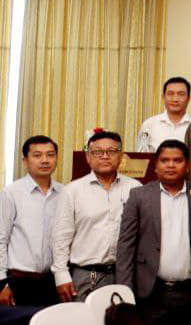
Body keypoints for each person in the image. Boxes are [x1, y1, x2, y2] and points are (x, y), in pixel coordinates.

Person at [117, 140, 191, 325]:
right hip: (151, 290)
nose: (170, 165)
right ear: (155, 165)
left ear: (187, 165)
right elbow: (126, 245)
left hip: (190, 291)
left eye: (177, 160)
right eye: (164, 160)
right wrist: (125, 289)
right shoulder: (139, 196)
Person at [52, 130, 143, 301]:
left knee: (123, 318)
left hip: (125, 274)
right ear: (88, 157)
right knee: (83, 318)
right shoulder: (72, 190)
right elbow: (61, 236)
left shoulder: (135, 188)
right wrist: (61, 274)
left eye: (111, 151)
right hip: (86, 274)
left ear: (121, 156)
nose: (105, 156)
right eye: (98, 152)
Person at [0, 135, 64, 306]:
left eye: (50, 155)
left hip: (52, 281)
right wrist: (2, 283)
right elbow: (1, 239)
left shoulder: (65, 193)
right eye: (37, 155)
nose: (45, 160)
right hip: (18, 281)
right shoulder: (11, 193)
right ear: (25, 161)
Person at [137, 76, 191, 153]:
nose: (175, 99)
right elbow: (141, 156)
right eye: (170, 94)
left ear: (189, 98)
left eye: (181, 94)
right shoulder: (149, 125)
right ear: (163, 97)